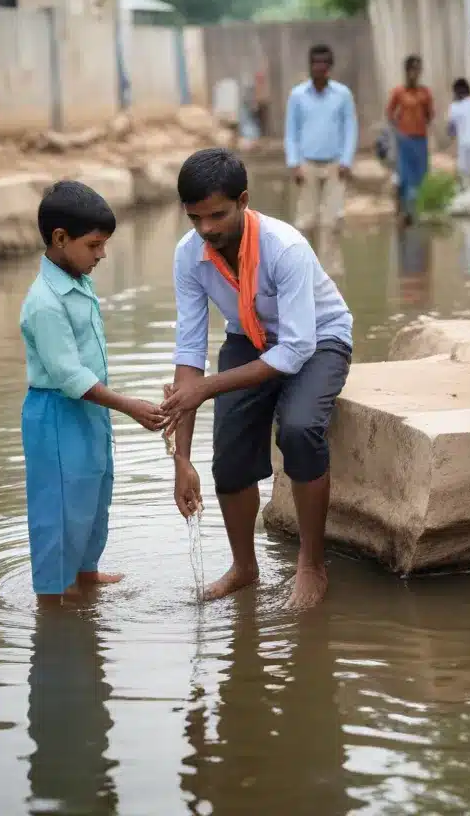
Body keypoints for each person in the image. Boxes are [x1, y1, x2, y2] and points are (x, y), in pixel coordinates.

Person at [163, 147, 353, 609]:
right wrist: (181, 459)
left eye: (217, 215)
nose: (207, 228)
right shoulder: (190, 256)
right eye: (195, 219)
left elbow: (296, 348)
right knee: (228, 455)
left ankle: (311, 563)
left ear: (244, 200)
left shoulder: (283, 247)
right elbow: (189, 354)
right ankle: (244, 567)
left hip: (318, 338)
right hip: (249, 338)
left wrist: (209, 388)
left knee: (299, 428)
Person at [20, 181, 164, 604]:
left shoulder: (77, 279)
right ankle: (54, 597)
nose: (102, 254)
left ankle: (86, 574)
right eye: (95, 245)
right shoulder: (44, 301)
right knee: (59, 509)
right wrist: (129, 406)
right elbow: (68, 377)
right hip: (57, 414)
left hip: (88, 411)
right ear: (60, 239)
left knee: (94, 492)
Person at [285, 43, 358, 235]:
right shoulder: (297, 95)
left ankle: (330, 266)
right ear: (310, 65)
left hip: (335, 166)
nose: (319, 66)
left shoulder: (342, 95)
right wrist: (294, 163)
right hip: (306, 164)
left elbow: (350, 128)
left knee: (331, 224)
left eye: (324, 62)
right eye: (315, 62)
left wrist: (346, 161)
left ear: (330, 66)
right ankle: (302, 265)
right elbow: (291, 131)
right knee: (304, 223)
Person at [386, 54, 434, 222]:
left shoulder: (425, 92)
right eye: (412, 69)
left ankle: (418, 211)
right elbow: (390, 112)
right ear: (406, 71)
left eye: (418, 69)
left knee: (421, 174)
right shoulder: (399, 92)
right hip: (404, 139)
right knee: (405, 177)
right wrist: (399, 129)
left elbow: (429, 114)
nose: (415, 73)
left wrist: (420, 123)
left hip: (420, 139)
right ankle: (403, 212)